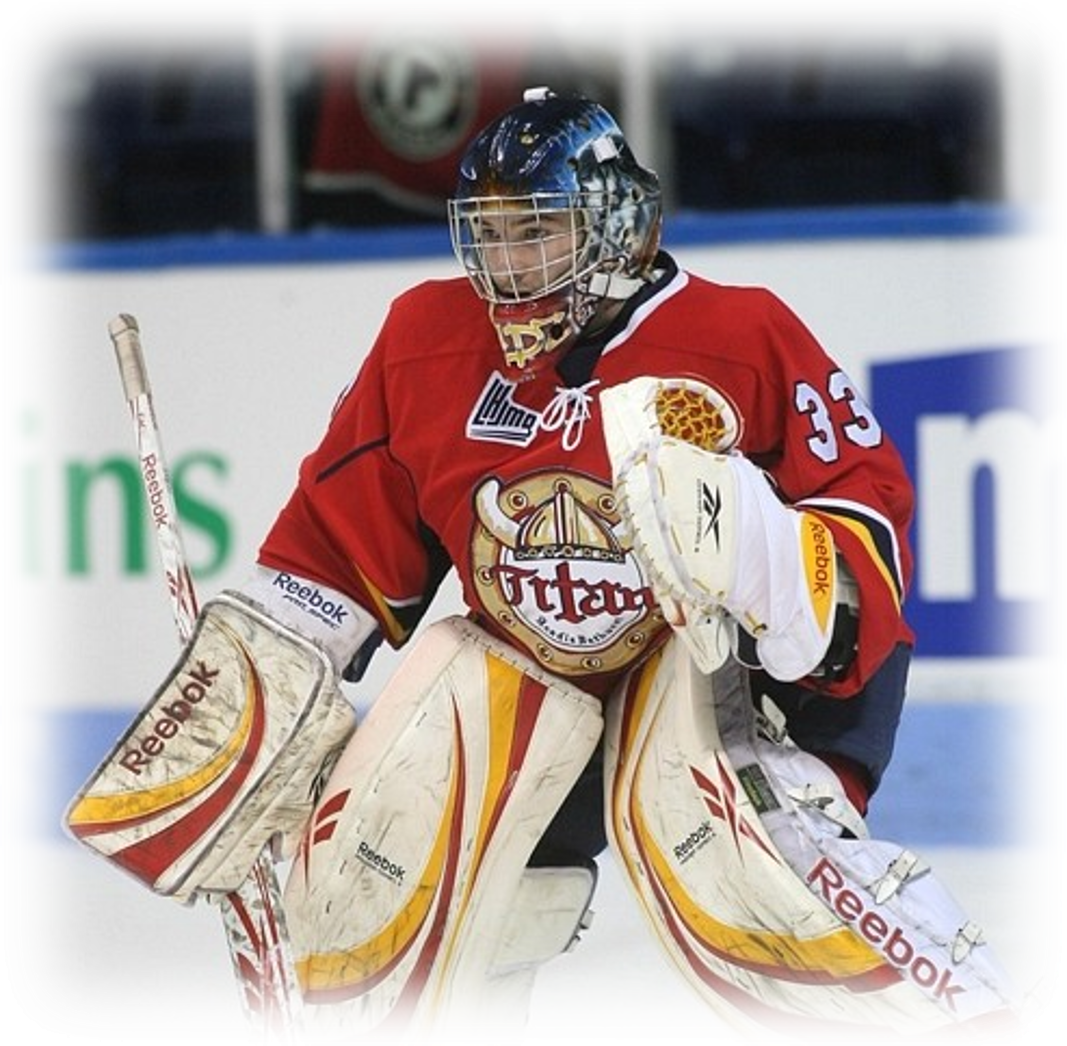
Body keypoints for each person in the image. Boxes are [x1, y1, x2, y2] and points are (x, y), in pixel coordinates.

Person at [68, 88, 1026, 1043]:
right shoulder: (423, 340)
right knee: (375, 883)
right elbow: (335, 552)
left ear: (614, 225)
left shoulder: (743, 335)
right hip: (534, 681)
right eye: (488, 237)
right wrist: (257, 701)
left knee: (754, 885)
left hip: (728, 674)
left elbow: (867, 526)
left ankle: (956, 1025)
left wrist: (760, 561)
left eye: (537, 232)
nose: (508, 265)